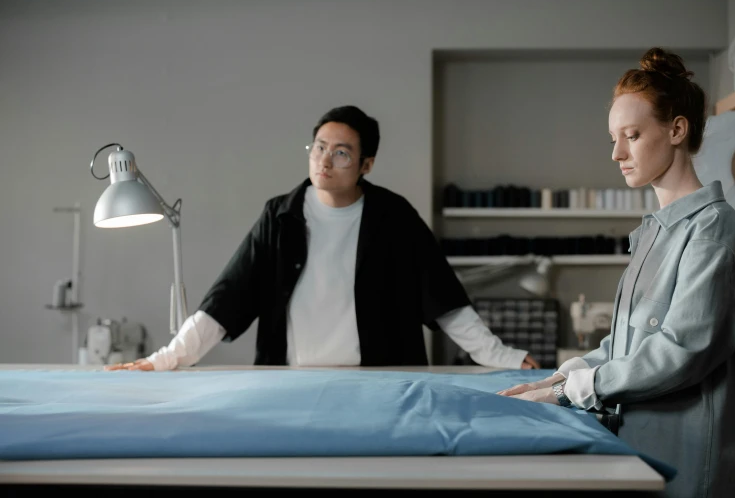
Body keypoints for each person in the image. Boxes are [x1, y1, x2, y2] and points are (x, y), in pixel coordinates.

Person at [497, 48, 735, 498]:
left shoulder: (711, 229)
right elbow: (629, 341)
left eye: (631, 135)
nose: (617, 153)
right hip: (652, 446)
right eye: (613, 137)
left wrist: (576, 390)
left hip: (699, 462)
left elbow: (680, 349)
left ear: (676, 130)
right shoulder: (659, 229)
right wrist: (567, 374)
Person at [107, 105, 540, 371]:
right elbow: (227, 298)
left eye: (341, 153)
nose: (325, 161)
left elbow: (444, 300)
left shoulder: (394, 217)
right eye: (318, 147)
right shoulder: (279, 215)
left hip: (381, 380)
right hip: (290, 378)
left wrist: (500, 355)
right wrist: (166, 358)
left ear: (366, 164)